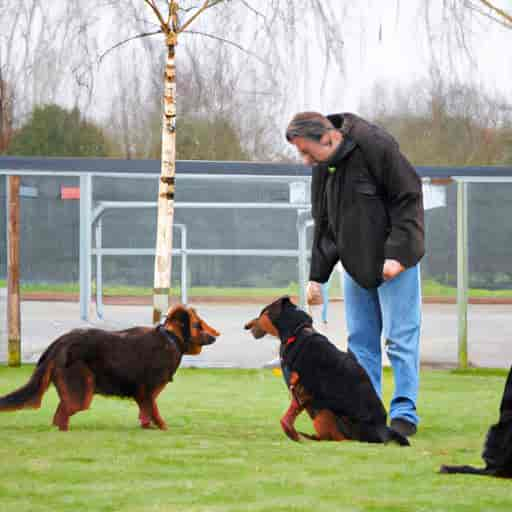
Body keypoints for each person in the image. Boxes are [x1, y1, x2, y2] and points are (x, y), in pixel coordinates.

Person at [286, 112, 424, 437]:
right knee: (361, 343)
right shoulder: (323, 168)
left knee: (400, 340)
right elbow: (325, 223)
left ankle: (404, 414)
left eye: (308, 152)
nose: (306, 161)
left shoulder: (375, 145)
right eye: (301, 154)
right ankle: (368, 413)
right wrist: (316, 277)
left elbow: (409, 197)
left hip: (394, 265)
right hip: (354, 264)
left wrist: (397, 255)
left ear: (329, 138)